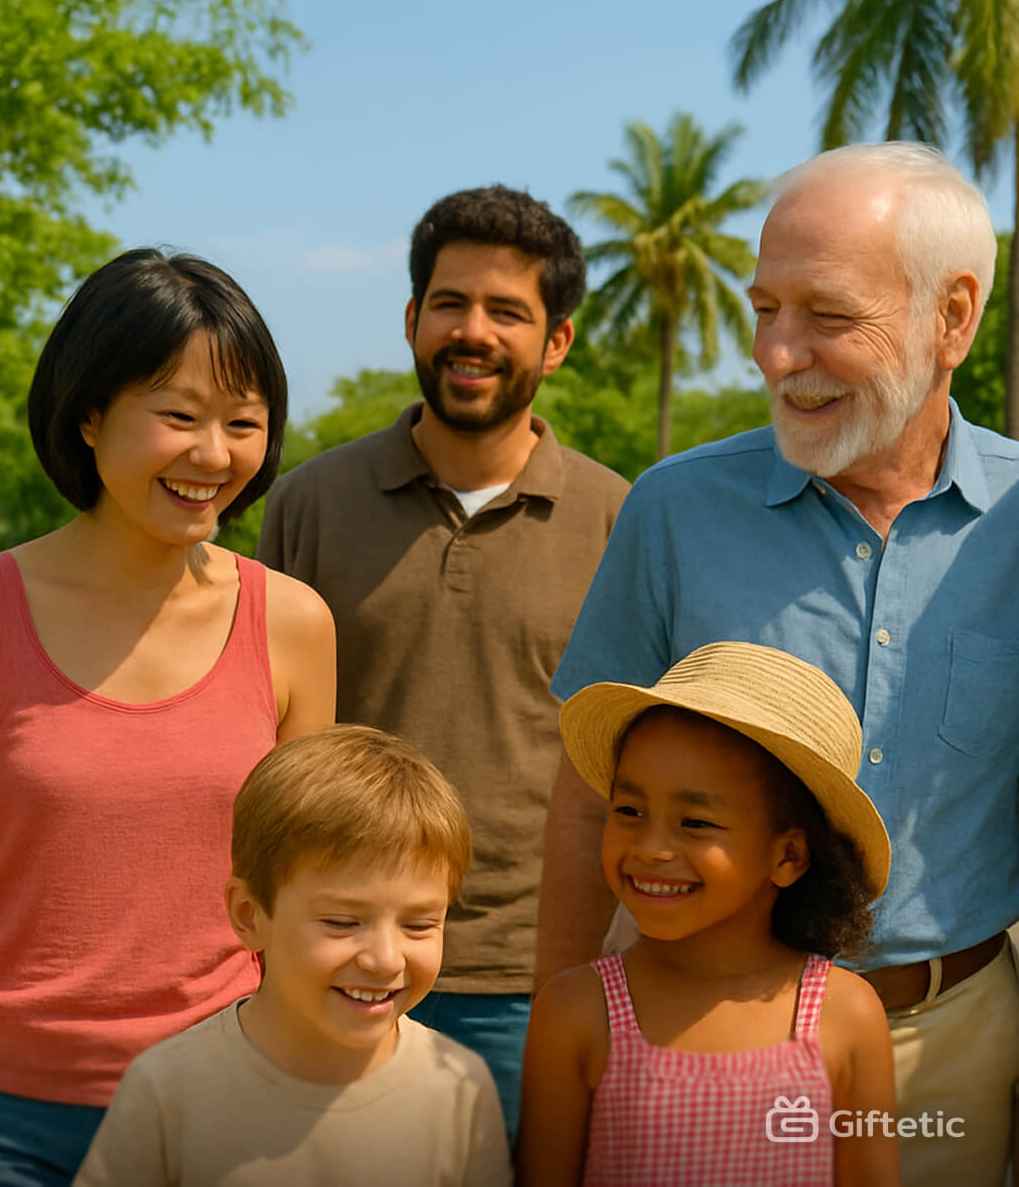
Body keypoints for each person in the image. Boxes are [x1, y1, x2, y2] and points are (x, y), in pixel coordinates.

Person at [539, 141, 1019, 1187]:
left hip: (957, 1049)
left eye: (829, 316)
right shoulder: (672, 509)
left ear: (954, 318)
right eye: (765, 309)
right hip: (688, 1042)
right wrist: (562, 1041)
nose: (777, 354)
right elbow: (587, 802)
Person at [0, 249, 336, 1187]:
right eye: (177, 416)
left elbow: (304, 894)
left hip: (222, 1106)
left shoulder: (295, 626)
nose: (213, 455)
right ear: (89, 414)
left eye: (243, 423)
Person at [256, 185, 629, 1133]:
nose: (475, 331)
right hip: (332, 962)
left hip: (539, 974)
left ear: (558, 343)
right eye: (452, 304)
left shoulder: (622, 521)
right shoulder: (308, 504)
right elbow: (259, 741)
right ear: (413, 319)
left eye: (509, 311)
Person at [518, 642, 899, 1187]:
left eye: (695, 822)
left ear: (788, 856)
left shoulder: (848, 1016)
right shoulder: (575, 1011)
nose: (651, 846)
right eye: (629, 811)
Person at [73, 724, 512, 1187]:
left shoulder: (461, 1089)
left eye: (419, 925)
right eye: (342, 922)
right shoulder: (167, 1092)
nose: (385, 959)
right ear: (249, 915)